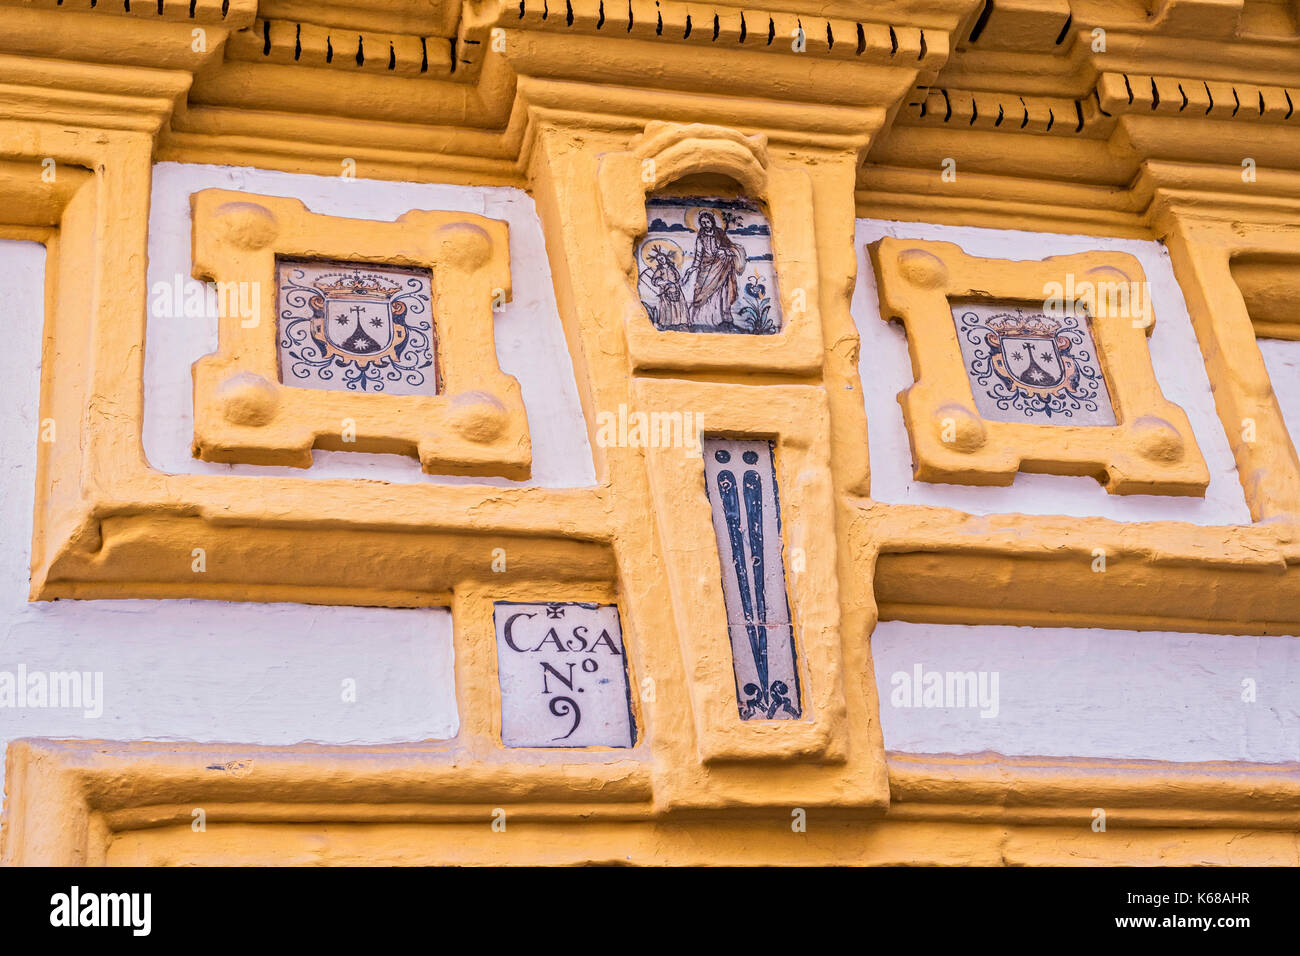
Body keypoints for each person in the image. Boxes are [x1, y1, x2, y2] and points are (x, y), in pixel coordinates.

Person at [684, 211, 745, 328]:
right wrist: (693, 268)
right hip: (706, 268)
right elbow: (698, 255)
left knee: (721, 293)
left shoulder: (720, 234)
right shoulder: (701, 238)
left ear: (712, 222)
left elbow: (730, 247)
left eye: (707, 222)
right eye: (703, 223)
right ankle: (702, 319)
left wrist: (725, 251)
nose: (705, 224)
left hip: (722, 267)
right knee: (702, 292)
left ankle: (722, 318)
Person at [644, 246, 687, 329]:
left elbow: (677, 278)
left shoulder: (672, 268)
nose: (661, 260)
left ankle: (679, 322)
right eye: (659, 259)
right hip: (665, 291)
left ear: (665, 257)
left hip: (675, 289)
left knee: (678, 305)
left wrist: (677, 283)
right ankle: (667, 323)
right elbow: (654, 281)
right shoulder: (659, 271)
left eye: (662, 258)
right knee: (667, 307)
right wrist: (664, 282)